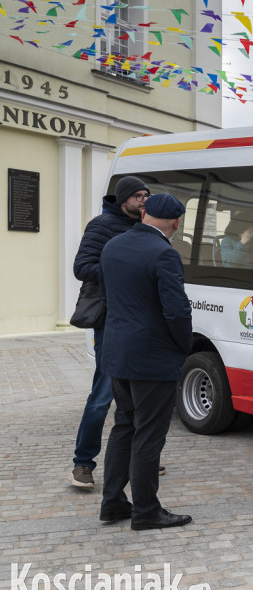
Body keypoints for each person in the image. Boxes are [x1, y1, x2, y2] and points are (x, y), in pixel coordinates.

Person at [98, 194, 193, 530]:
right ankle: (146, 511)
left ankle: (112, 503)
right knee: (149, 435)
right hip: (152, 357)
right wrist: (184, 347)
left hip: (117, 352)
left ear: (144, 213)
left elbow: (111, 299)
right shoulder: (165, 254)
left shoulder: (113, 246)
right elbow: (177, 311)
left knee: (124, 426)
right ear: (177, 222)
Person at [69, 176, 149, 490]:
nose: (144, 200)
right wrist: (122, 266)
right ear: (124, 199)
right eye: (139, 195)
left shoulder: (145, 227)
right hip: (111, 321)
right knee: (103, 395)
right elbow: (82, 267)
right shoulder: (101, 226)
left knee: (139, 396)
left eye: (147, 195)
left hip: (141, 321)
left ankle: (139, 459)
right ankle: (82, 464)